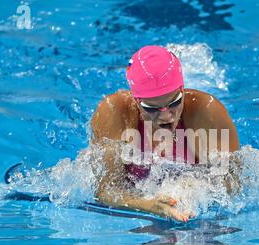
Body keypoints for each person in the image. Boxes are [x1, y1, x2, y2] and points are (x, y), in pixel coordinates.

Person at [91, 45, 239, 222]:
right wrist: (147, 205)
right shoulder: (114, 113)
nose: (166, 116)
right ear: (136, 101)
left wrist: (196, 188)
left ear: (182, 90)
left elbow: (233, 181)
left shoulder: (207, 111)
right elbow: (106, 190)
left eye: (175, 102)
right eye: (151, 108)